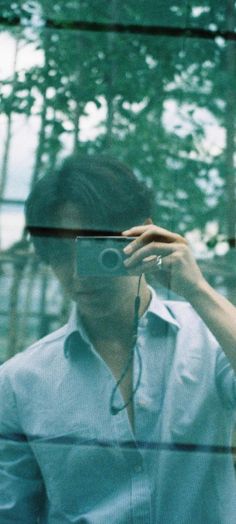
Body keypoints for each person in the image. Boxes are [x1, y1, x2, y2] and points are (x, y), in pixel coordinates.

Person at [0, 154, 236, 523]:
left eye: (96, 249)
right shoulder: (18, 382)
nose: (80, 275)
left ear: (143, 234)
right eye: (61, 254)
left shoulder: (211, 341)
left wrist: (197, 289)